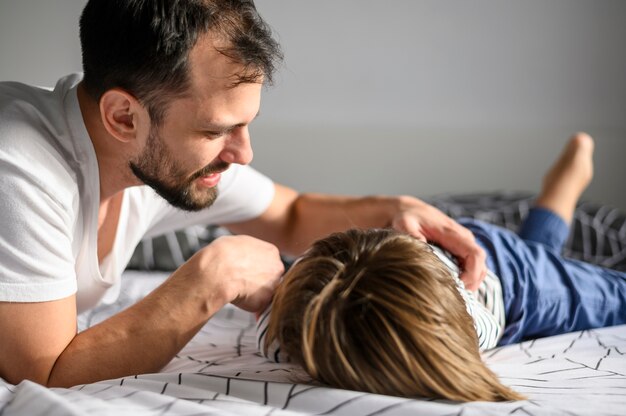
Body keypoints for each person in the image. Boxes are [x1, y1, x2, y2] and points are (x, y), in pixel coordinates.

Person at [0, 0, 486, 388]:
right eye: (218, 130)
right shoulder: (18, 164)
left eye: (246, 125)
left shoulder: (155, 150)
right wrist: (214, 276)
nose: (244, 153)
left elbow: (291, 216)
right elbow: (45, 373)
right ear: (124, 117)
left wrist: (395, 209)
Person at [258, 133, 626, 402]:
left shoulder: (470, 326)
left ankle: (563, 187)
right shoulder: (292, 330)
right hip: (426, 255)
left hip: (509, 276)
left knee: (608, 295)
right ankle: (561, 188)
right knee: (541, 250)